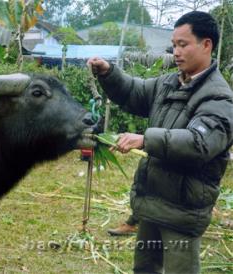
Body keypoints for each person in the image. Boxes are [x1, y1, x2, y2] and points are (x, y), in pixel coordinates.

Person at [88, 11, 233, 274]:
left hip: (182, 211)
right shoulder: (168, 83)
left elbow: (199, 144)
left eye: (183, 44)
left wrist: (145, 140)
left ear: (206, 44)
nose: (176, 52)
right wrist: (109, 74)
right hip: (152, 201)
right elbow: (134, 92)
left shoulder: (219, 98)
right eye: (174, 45)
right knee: (144, 269)